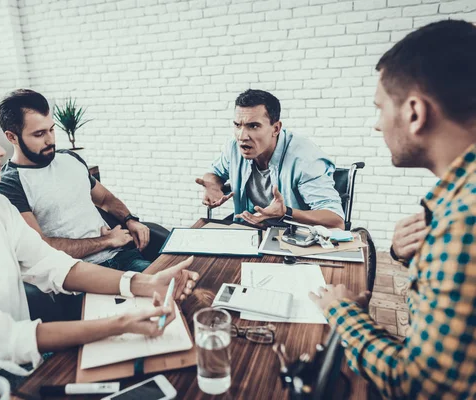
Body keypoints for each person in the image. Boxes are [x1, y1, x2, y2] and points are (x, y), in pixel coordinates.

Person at [0, 91, 199, 400]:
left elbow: (55, 266)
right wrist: (120, 324)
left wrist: (146, 283)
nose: (0, 152)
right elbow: (3, 338)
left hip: (21, 372)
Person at [310, 20, 476, 399]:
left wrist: (342, 313)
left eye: (380, 108)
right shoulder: (457, 204)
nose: (376, 125)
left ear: (415, 113)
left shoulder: (465, 221)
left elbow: (415, 385)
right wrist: (410, 253)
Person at [0, 89, 152, 273]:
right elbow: (40, 247)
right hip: (78, 274)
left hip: (122, 256)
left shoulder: (70, 158)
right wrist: (107, 241)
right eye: (39, 134)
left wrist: (131, 220)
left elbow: (105, 199)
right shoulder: (8, 185)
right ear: (12, 137)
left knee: (177, 286)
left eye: (51, 129)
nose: (50, 140)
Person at [195, 89, 344, 229]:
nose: (242, 136)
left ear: (276, 129)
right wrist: (213, 184)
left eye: (253, 126)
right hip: (248, 231)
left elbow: (336, 220)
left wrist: (287, 212)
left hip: (290, 239)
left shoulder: (304, 159)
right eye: (237, 125)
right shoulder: (234, 147)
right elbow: (214, 174)